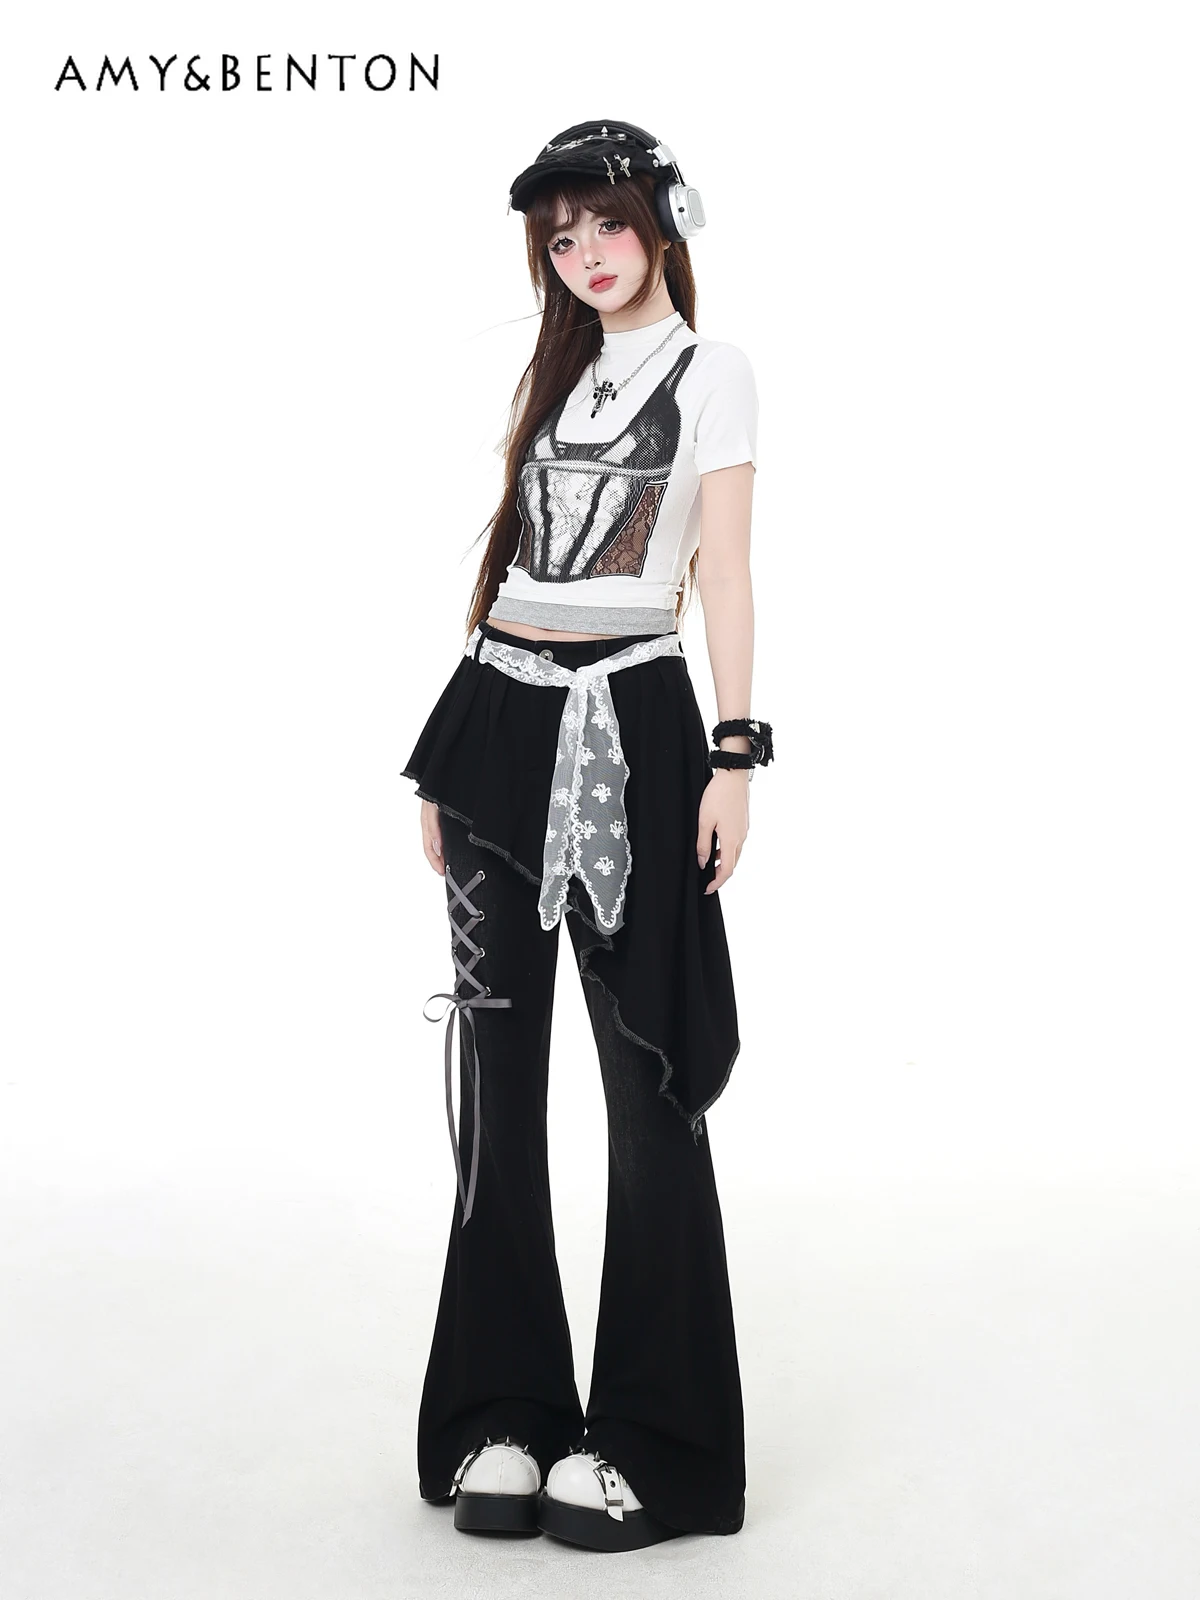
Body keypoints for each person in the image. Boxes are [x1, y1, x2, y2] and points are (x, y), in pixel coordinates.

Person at [400, 120, 775, 1552]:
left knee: (647, 1088)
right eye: (561, 238)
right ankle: (502, 1409)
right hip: (495, 722)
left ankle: (655, 1441)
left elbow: (725, 570)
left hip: (640, 726)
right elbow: (517, 561)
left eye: (606, 224)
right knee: (496, 1082)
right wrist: (451, 748)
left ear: (661, 221)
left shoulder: (713, 372)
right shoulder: (558, 376)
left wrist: (736, 751)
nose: (586, 255)